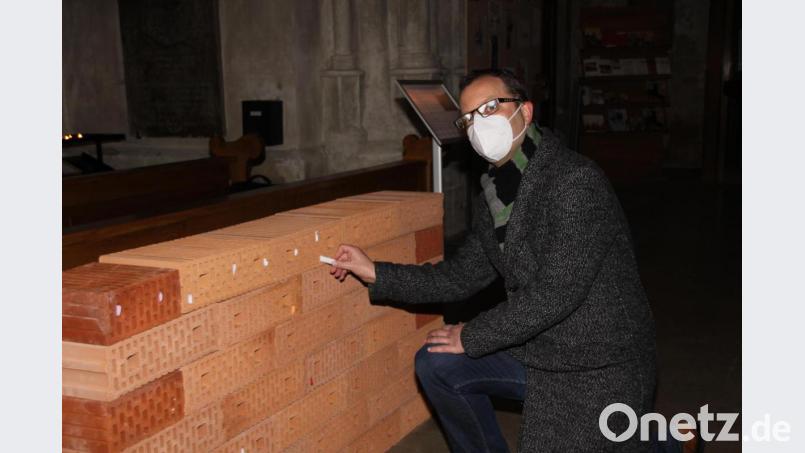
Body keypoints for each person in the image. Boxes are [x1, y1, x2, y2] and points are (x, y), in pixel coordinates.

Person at [330, 69, 656, 452]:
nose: (479, 125)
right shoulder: (494, 195)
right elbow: (459, 276)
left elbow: (555, 294)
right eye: (468, 119)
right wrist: (375, 271)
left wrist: (472, 335)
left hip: (596, 360)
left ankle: (655, 439)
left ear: (525, 112)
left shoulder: (575, 181)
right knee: (437, 364)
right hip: (536, 348)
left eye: (489, 108)